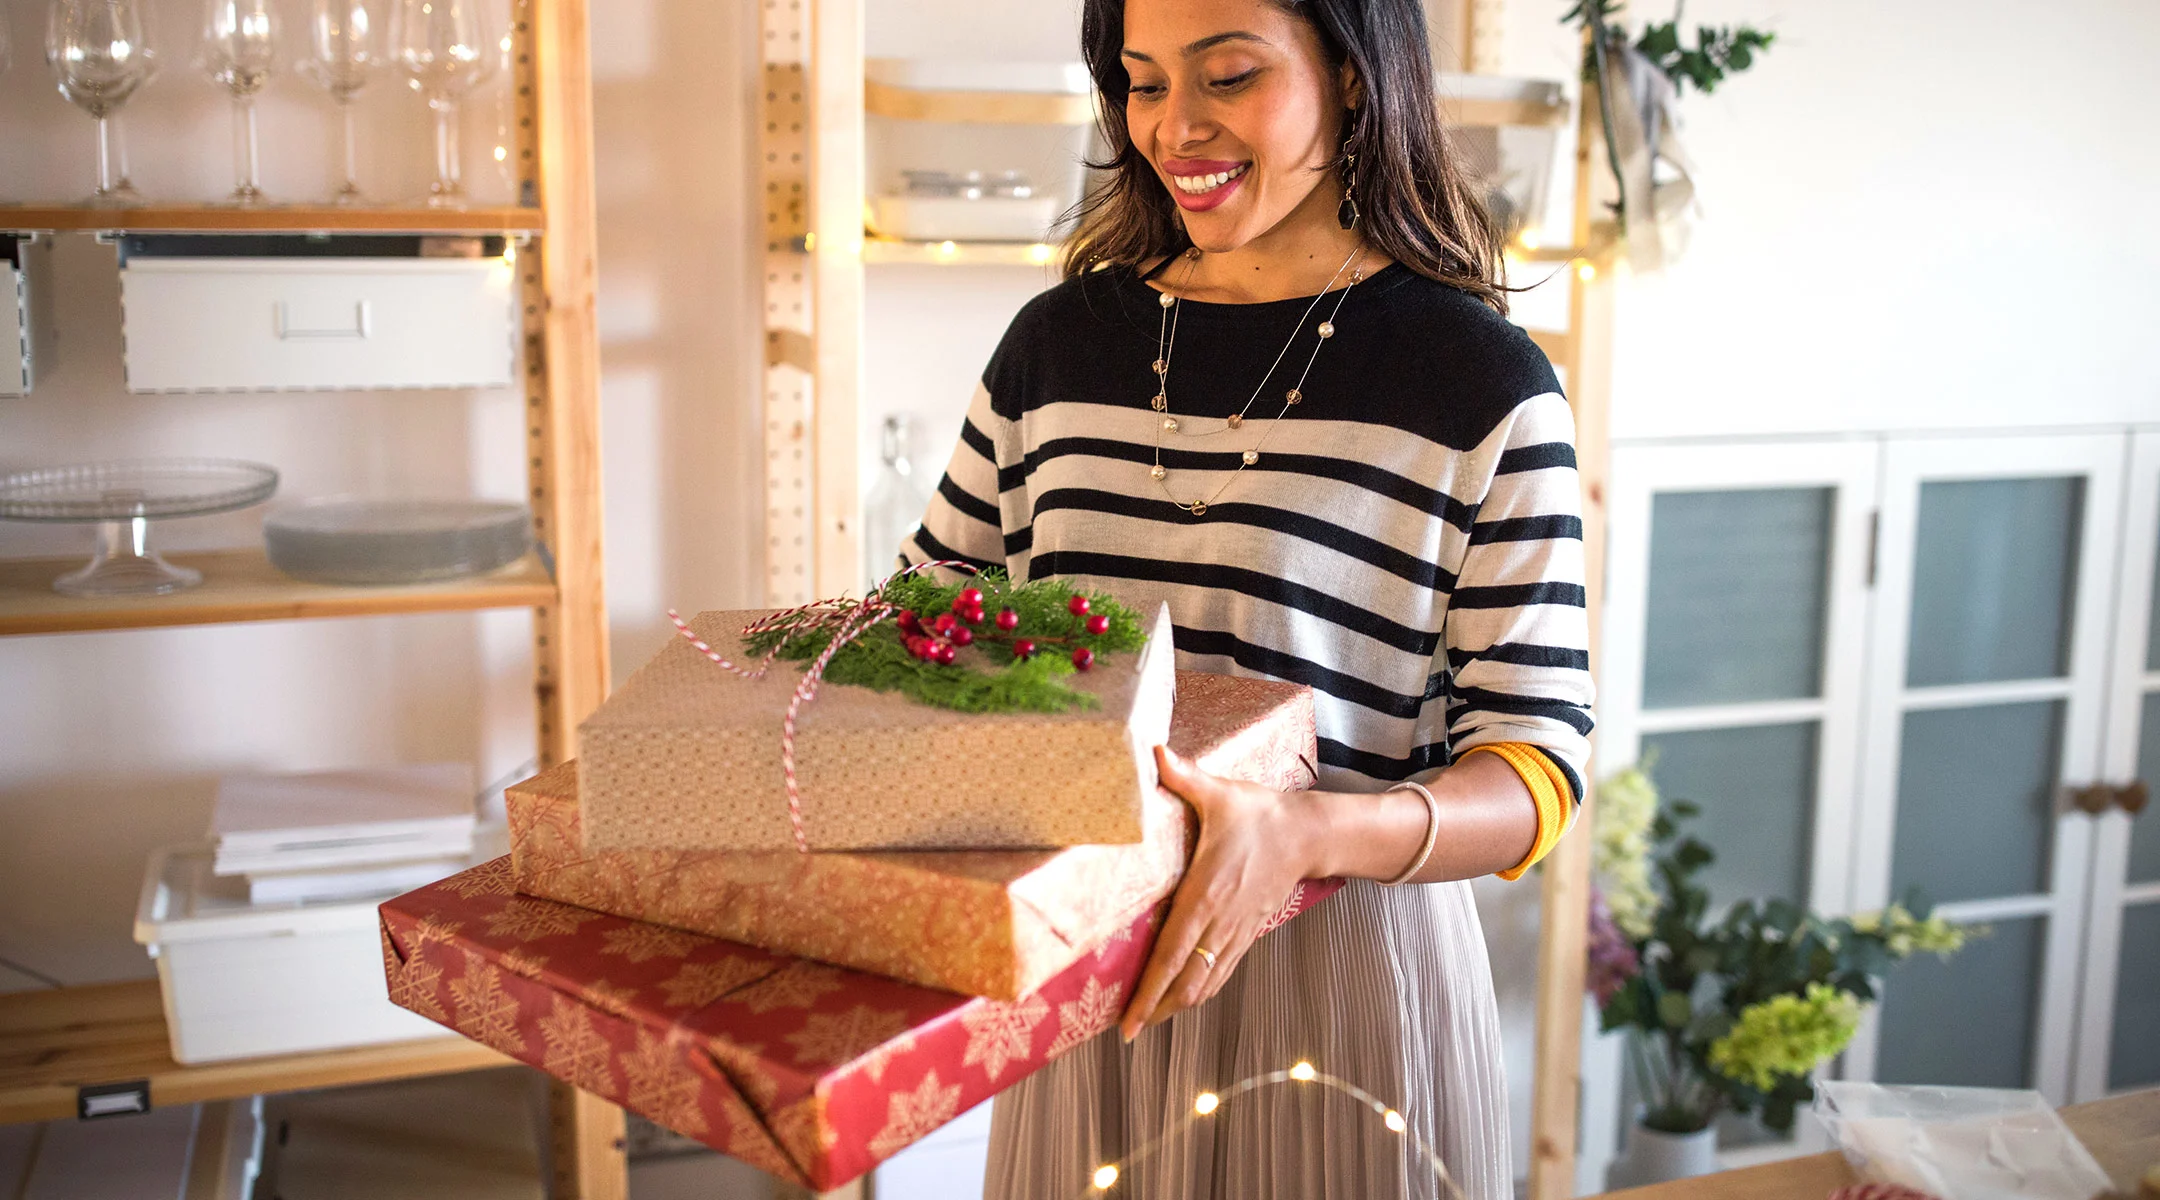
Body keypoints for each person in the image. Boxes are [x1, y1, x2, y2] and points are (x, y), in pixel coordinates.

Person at [901, 0, 1594, 1195]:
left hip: (1342, 989)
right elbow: (924, 628)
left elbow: (1538, 770)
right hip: (1090, 974)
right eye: (1143, 79)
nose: (1176, 127)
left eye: (1228, 76)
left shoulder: (1478, 382)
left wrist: (1307, 835)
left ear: (1355, 78)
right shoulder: (1054, 348)